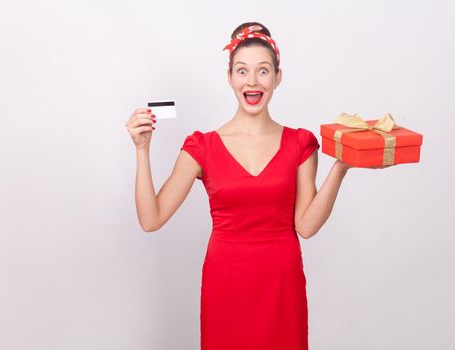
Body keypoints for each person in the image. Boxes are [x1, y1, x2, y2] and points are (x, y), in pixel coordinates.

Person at [125, 21, 385, 350]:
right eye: (242, 71)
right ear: (230, 77)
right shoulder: (202, 146)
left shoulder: (300, 143)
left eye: (263, 71)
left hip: (281, 284)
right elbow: (152, 218)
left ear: (278, 77)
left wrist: (341, 168)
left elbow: (305, 226)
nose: (252, 81)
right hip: (226, 283)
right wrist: (142, 149)